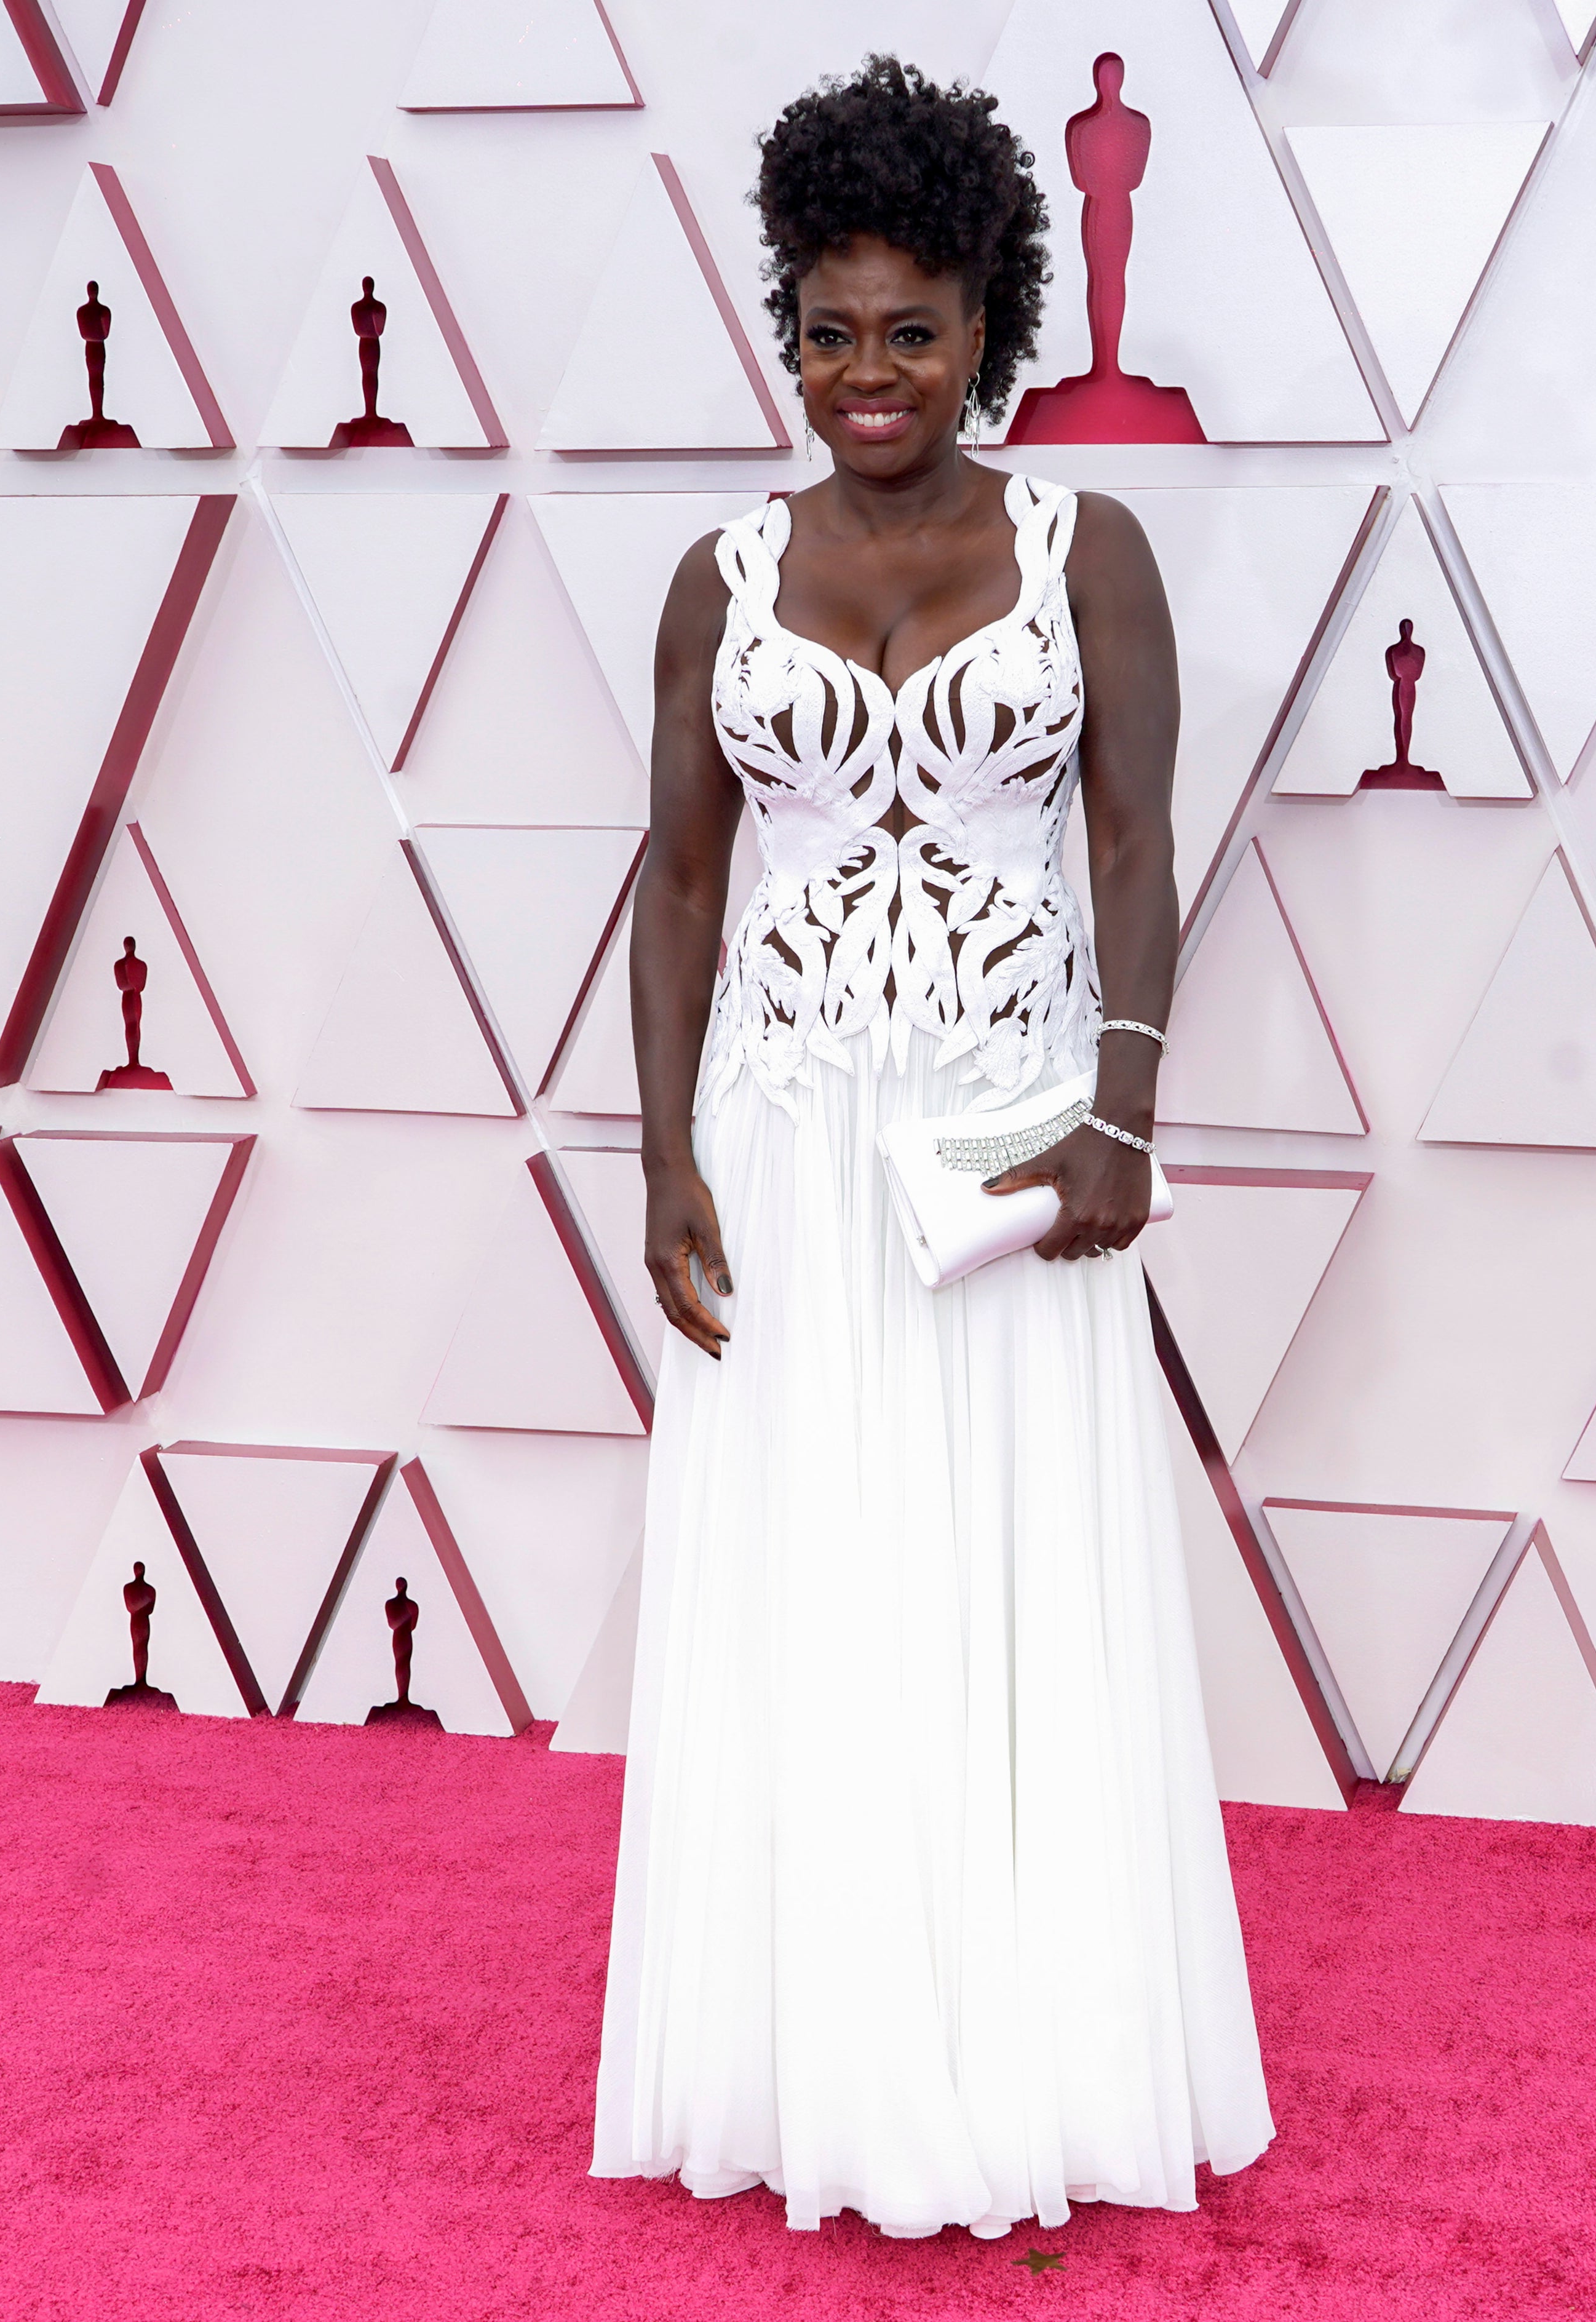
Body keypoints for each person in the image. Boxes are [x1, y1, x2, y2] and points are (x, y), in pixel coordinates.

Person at [593, 56, 1270, 2241]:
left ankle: (1032, 2076)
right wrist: (665, 1152)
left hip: (1005, 1152)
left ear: (993, 324)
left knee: (1009, 1602)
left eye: (913, 328)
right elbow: (681, 881)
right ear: (784, 325)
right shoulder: (718, 574)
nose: (866, 375)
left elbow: (1140, 837)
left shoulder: (1093, 548)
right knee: (820, 1587)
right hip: (788, 1141)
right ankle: (824, 2074)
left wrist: (1124, 1117)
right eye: (827, 327)